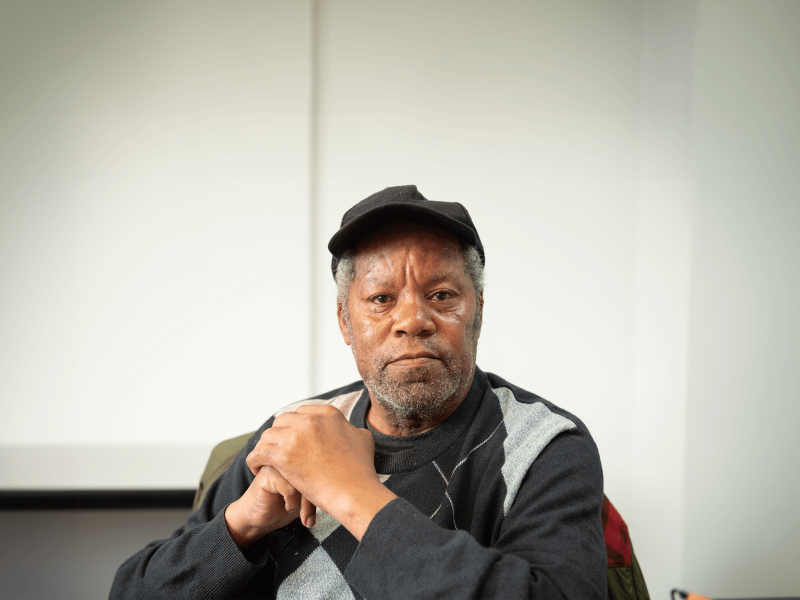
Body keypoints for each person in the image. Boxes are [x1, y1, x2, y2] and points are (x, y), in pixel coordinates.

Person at [110, 185, 607, 599]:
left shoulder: (544, 448)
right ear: (346, 323)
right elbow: (133, 591)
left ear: (477, 310)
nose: (413, 320)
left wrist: (350, 493)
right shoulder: (294, 433)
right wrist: (242, 523)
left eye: (441, 295)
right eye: (381, 299)